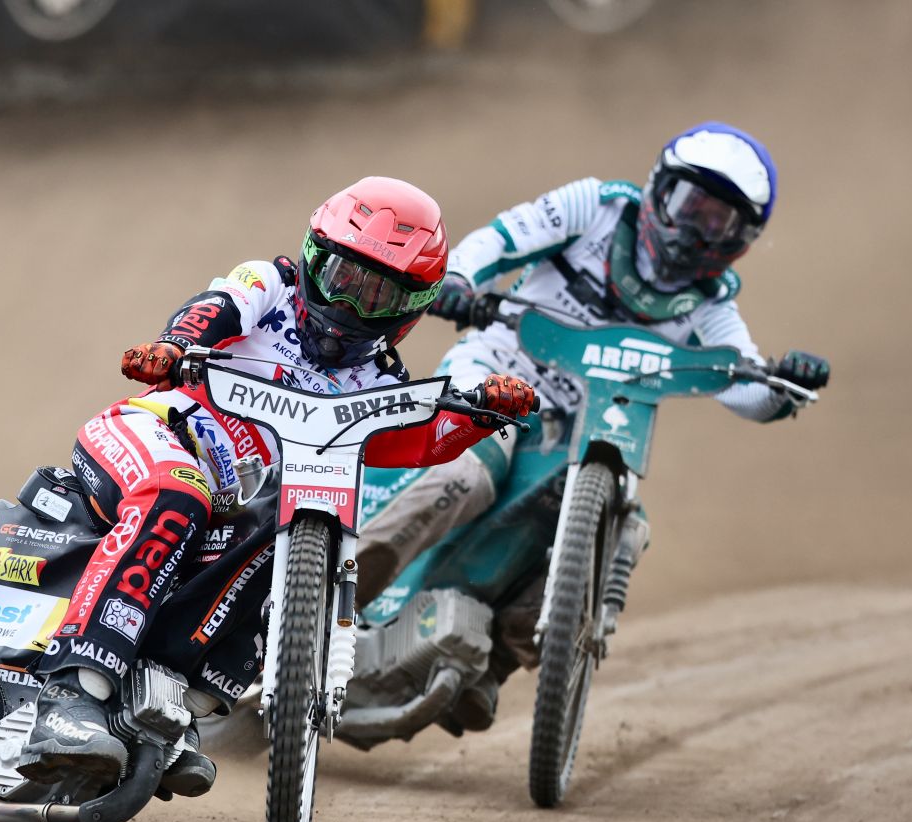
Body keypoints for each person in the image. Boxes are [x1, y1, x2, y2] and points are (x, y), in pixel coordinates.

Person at [14, 176, 539, 792]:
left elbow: (412, 440)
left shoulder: (378, 380)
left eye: (377, 294)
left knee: (285, 529)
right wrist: (174, 346)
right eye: (342, 277)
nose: (349, 305)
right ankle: (72, 696)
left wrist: (480, 415)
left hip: (228, 502)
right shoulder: (269, 285)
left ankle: (167, 707)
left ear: (410, 309)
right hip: (151, 433)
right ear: (314, 257)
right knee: (179, 493)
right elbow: (215, 307)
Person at [355, 123, 832, 727]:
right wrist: (460, 282)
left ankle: (490, 662)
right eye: (691, 206)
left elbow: (743, 384)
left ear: (740, 240)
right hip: (502, 377)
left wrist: (784, 386)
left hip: (588, 432)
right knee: (466, 476)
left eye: (718, 222)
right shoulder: (596, 207)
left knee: (626, 533)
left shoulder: (713, 303)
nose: (695, 230)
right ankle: (333, 598)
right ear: (660, 189)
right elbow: (500, 239)